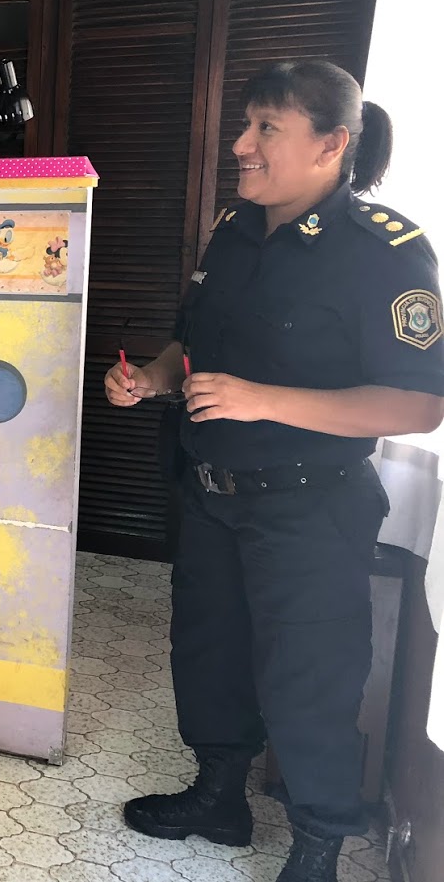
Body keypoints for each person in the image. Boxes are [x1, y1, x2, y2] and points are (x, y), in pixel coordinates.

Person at [104, 59, 444, 882]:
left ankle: (318, 844)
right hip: (212, 491)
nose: (240, 144)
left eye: (266, 128)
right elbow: (193, 343)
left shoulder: (385, 251)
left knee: (310, 677)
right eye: (246, 124)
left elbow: (418, 404)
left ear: (331, 145)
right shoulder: (234, 227)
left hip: (311, 508)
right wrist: (152, 378)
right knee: (208, 654)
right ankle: (218, 796)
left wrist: (261, 400)